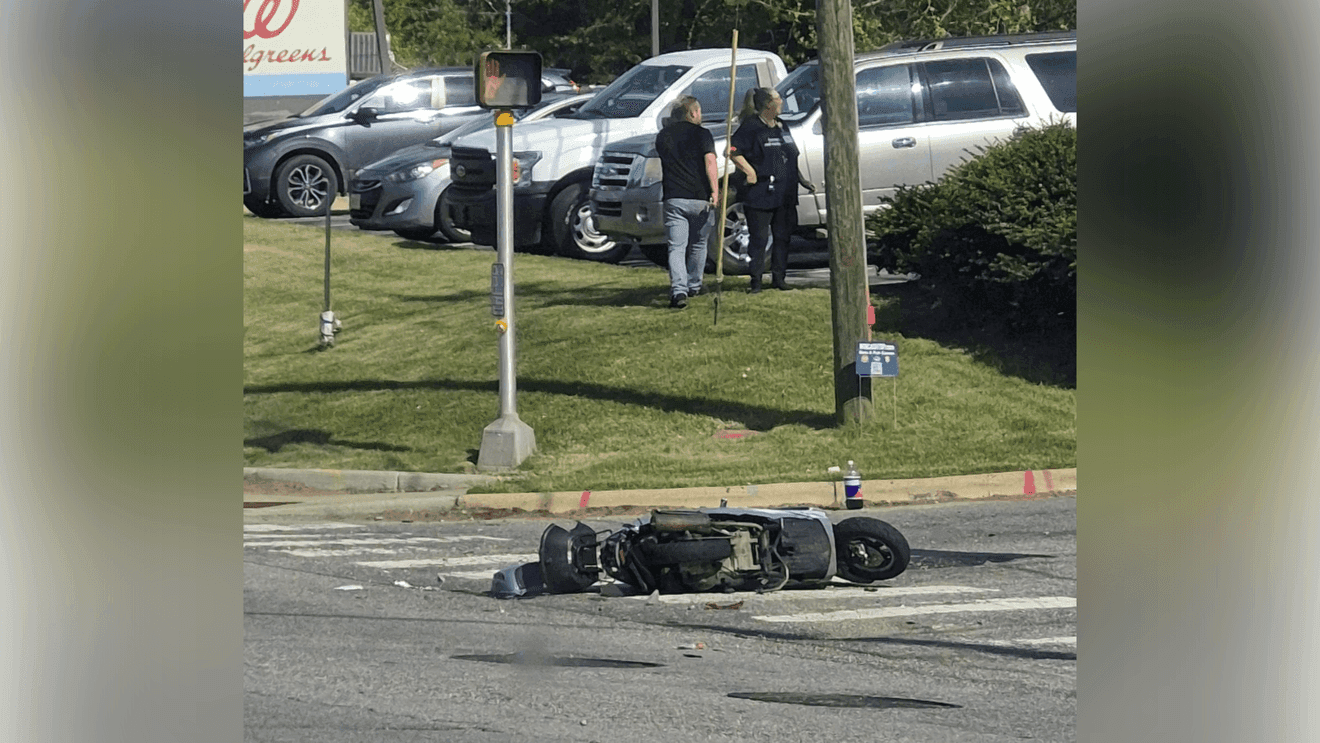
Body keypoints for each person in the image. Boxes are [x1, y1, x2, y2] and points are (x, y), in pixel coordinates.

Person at [729, 87, 817, 292]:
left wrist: (802, 180)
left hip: (785, 192)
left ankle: (779, 278)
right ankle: (756, 281)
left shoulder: (781, 126)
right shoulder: (751, 126)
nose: (782, 102)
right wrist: (749, 170)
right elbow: (732, 150)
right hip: (760, 193)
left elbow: (791, 156)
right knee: (759, 239)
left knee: (783, 237)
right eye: (778, 99)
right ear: (769, 104)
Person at [654, 96, 719, 308]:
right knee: (699, 244)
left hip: (674, 197)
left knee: (676, 247)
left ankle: (679, 291)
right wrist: (715, 192)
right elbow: (710, 162)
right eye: (699, 112)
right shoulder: (703, 134)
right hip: (700, 197)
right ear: (692, 113)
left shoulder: (664, 136)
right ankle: (694, 284)